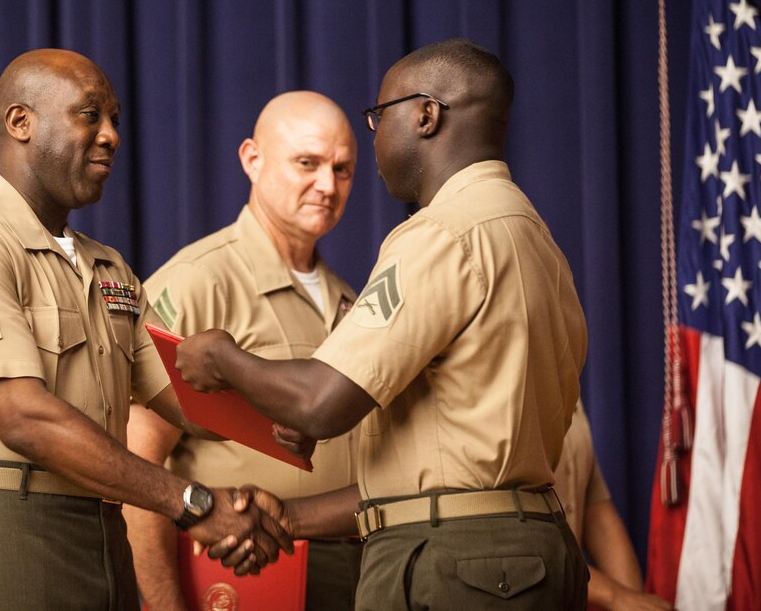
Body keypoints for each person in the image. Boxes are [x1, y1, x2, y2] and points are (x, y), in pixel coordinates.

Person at [175, 38, 590, 608]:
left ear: (425, 114)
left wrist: (223, 359)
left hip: (459, 563)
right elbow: (447, 457)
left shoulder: (443, 233)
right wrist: (291, 516)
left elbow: (322, 402)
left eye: (378, 116)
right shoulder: (539, 241)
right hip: (530, 550)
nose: (373, 140)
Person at [0, 48, 290, 610]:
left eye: (116, 121)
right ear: (20, 122)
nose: (111, 136)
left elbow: (185, 396)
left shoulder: (107, 267)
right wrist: (193, 502)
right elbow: (22, 417)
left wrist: (295, 421)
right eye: (90, 115)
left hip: (100, 533)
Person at [124, 91, 363, 610]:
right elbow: (136, 460)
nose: (328, 185)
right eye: (308, 163)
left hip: (354, 572)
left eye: (343, 169)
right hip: (240, 572)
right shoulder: (199, 281)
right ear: (252, 159)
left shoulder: (355, 301)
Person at [555, 401, 673, 610]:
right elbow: (510, 541)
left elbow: (597, 515)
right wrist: (616, 597)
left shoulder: (562, 381)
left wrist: (635, 599)